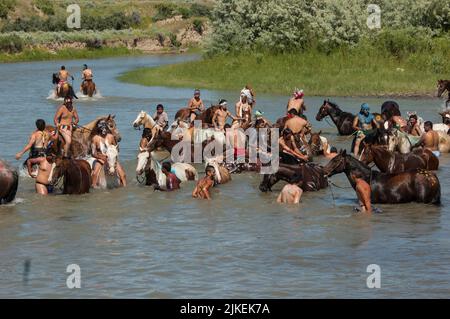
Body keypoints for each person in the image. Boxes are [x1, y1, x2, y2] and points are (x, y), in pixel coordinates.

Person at [91, 121, 127, 187]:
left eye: (105, 128)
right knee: (95, 173)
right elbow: (93, 153)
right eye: (102, 129)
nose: (104, 131)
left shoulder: (111, 137)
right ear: (99, 129)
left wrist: (114, 156)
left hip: (112, 159)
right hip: (100, 159)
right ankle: (94, 186)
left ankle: (124, 186)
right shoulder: (95, 138)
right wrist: (102, 157)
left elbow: (117, 149)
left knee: (123, 174)